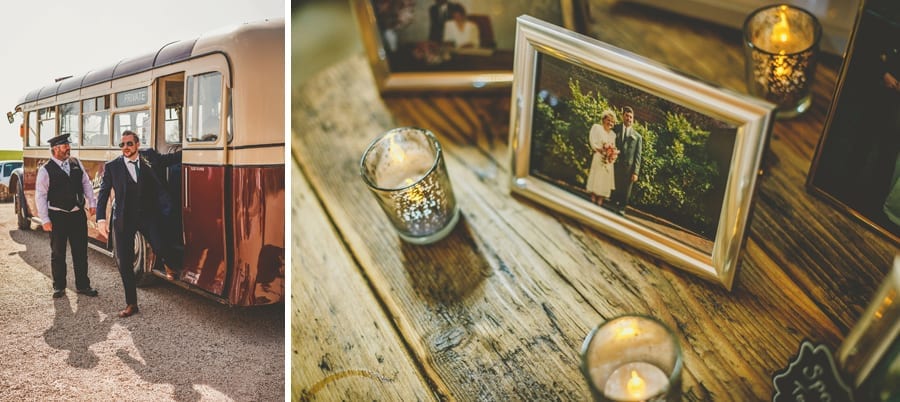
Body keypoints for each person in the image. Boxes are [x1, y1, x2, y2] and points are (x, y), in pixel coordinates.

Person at [96, 130, 182, 318]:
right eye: (122, 145)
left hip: (148, 214)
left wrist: (194, 148)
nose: (125, 148)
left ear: (137, 145)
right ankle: (131, 304)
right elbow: (103, 193)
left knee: (160, 245)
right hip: (124, 218)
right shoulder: (112, 167)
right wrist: (101, 218)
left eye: (128, 144)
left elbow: (170, 160)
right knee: (124, 261)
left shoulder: (148, 157)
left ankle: (168, 263)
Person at [35, 134, 98, 299]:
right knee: (58, 253)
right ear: (56, 149)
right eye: (65, 146)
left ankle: (83, 286)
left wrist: (92, 203)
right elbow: (40, 195)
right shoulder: (45, 170)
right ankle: (59, 287)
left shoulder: (76, 163)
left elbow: (86, 183)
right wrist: (45, 219)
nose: (68, 148)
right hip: (57, 216)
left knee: (80, 252)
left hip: (77, 215)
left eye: (68, 145)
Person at [610, 106, 644, 215]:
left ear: (633, 119)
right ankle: (612, 204)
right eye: (627, 116)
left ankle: (622, 207)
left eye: (631, 117)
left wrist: (635, 172)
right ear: (623, 116)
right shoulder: (616, 129)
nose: (629, 119)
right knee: (615, 184)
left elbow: (638, 156)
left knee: (626, 189)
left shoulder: (637, 137)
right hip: (615, 163)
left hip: (628, 167)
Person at [586, 110, 618, 206]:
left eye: (612, 121)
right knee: (597, 176)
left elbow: (613, 146)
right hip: (599, 156)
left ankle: (600, 200)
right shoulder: (597, 128)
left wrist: (612, 155)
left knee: (604, 179)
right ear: (604, 120)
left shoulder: (613, 134)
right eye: (608, 120)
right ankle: (593, 198)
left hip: (607, 160)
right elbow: (592, 140)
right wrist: (598, 149)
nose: (610, 123)